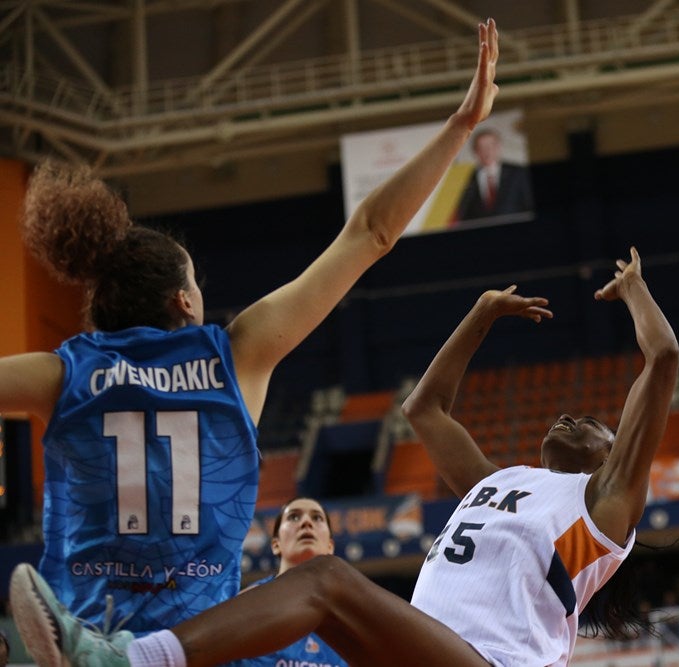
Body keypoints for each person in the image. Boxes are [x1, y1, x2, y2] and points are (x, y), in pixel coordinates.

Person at [1, 16, 504, 639]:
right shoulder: (236, 355)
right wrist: (462, 124)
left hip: (83, 638)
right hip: (196, 647)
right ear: (184, 301)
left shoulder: (62, 374)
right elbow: (371, 232)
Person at [11, 244, 679, 667]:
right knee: (317, 604)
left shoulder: (604, 506)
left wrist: (635, 289)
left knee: (325, 582)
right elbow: (424, 409)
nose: (571, 416)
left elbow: (664, 357)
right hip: (426, 653)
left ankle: (129, 660)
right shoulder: (498, 481)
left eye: (592, 422)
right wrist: (478, 315)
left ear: (611, 453)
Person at [234, 497, 346, 667]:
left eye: (317, 518)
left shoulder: (351, 614)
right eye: (294, 517)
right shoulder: (244, 604)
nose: (306, 522)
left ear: (330, 546)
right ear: (275, 544)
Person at [453, 126, 533, 224]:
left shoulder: (518, 173)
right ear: (475, 151)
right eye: (481, 147)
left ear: (499, 147)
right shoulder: (466, 178)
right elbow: (462, 214)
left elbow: (529, 207)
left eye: (491, 146)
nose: (487, 151)